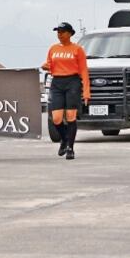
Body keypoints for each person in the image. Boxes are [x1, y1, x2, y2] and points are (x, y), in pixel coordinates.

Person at [42, 22, 90, 160]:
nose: (59, 34)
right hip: (57, 82)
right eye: (58, 32)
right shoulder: (53, 49)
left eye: (62, 31)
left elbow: (83, 71)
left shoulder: (77, 49)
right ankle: (64, 139)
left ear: (69, 33)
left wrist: (86, 91)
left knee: (70, 116)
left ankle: (70, 148)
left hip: (72, 82)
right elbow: (50, 65)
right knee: (56, 118)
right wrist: (46, 66)